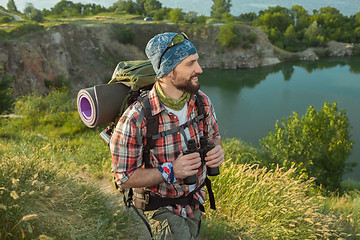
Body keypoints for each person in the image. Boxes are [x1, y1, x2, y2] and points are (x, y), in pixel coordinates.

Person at [110, 32, 224, 239]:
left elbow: (214, 137)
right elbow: (123, 177)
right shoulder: (137, 118)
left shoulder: (201, 101)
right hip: (161, 207)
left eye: (196, 61)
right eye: (190, 64)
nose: (199, 69)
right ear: (168, 71)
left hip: (195, 199)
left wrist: (217, 150)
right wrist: (170, 171)